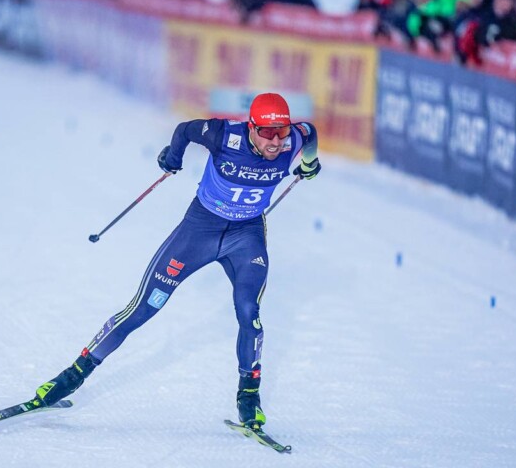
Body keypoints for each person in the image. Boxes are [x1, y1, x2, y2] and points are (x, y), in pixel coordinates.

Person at [32, 93, 320, 429]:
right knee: (144, 308)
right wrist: (172, 158)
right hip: (199, 231)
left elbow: (310, 133)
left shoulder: (293, 139)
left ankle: (248, 398)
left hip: (246, 237)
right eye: (268, 133)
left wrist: (308, 163)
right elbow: (184, 130)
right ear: (251, 127)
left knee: (249, 314)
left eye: (282, 132)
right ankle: (71, 376)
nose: (276, 142)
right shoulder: (223, 134)